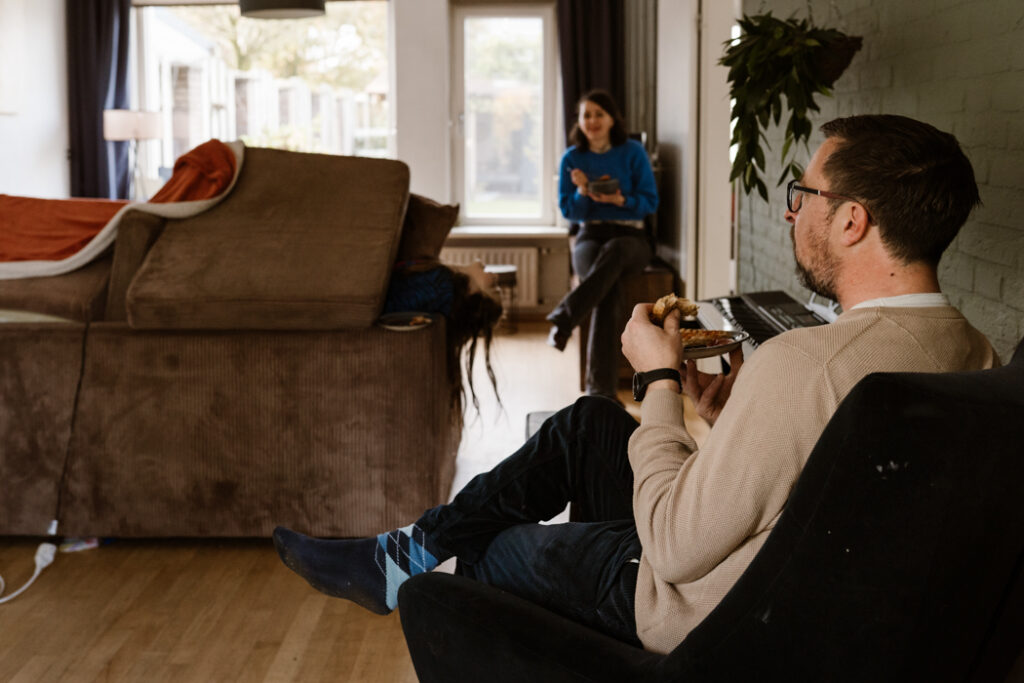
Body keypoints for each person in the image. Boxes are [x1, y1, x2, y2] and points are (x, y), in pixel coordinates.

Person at [273, 114, 1000, 654]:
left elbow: (677, 548)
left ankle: (416, 565)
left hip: (697, 602)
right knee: (588, 422)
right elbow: (826, 483)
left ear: (850, 221)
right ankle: (395, 555)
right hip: (796, 580)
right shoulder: (976, 355)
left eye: (803, 192)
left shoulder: (807, 362)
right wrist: (731, 413)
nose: (789, 210)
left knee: (491, 552)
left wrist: (655, 377)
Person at [545, 89, 659, 402]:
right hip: (589, 235)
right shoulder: (572, 159)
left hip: (631, 237)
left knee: (616, 252)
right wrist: (582, 191)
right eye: (586, 115)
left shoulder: (632, 152)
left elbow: (650, 202)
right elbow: (568, 211)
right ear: (579, 122)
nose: (592, 121)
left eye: (599, 114)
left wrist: (618, 199)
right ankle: (602, 393)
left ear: (611, 119)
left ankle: (566, 318)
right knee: (606, 288)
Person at [383, 258, 503, 412]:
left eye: (493, 286)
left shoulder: (441, 284)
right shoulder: (442, 282)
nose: (496, 277)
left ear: (471, 291)